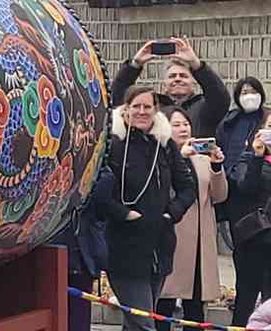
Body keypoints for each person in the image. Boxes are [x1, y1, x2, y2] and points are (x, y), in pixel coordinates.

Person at [101, 85, 196, 331]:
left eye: (147, 107)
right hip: (124, 249)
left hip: (159, 245)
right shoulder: (112, 145)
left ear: (156, 110)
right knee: (143, 325)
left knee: (136, 323)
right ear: (125, 110)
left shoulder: (165, 145)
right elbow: (96, 192)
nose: (142, 112)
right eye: (136, 106)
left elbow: (187, 187)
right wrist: (124, 214)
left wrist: (172, 212)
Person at [155, 108, 228, 331]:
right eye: (176, 124)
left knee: (195, 305)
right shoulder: (160, 156)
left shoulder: (201, 159)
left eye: (186, 123)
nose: (183, 128)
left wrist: (216, 166)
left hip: (200, 243)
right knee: (165, 301)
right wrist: (181, 157)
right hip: (173, 236)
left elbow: (220, 195)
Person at [111, 37, 229, 138]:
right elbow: (118, 97)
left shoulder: (205, 107)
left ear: (194, 82)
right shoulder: (154, 106)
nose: (177, 79)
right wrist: (135, 65)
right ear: (164, 84)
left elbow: (220, 96)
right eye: (172, 76)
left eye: (183, 76)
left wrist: (196, 64)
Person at [52, 166, 113, 331]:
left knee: (78, 315)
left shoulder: (100, 170)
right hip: (59, 247)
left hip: (80, 251)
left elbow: (101, 204)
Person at [230, 112, 271, 325]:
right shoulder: (248, 158)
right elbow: (246, 187)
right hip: (254, 239)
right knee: (246, 298)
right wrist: (257, 155)